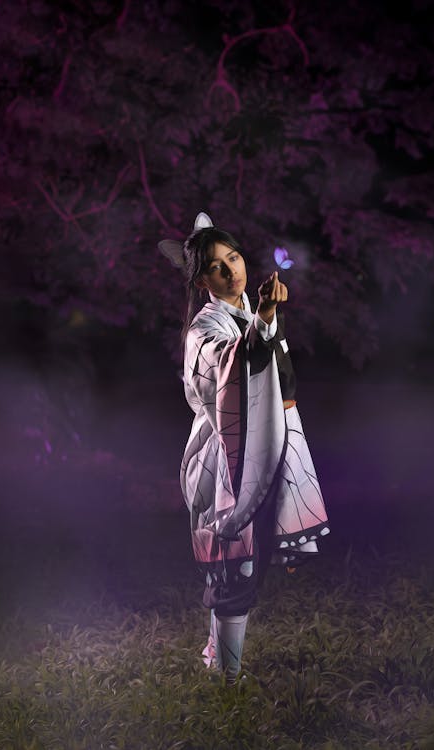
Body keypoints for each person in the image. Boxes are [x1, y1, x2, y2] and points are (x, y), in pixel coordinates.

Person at [160, 213, 329, 684]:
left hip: (266, 451)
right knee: (235, 565)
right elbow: (227, 367)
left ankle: (218, 658)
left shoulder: (243, 317)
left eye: (233, 258)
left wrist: (264, 323)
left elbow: (281, 383)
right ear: (201, 280)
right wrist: (265, 321)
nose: (231, 270)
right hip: (228, 459)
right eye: (217, 266)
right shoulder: (204, 330)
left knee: (248, 564)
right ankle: (227, 683)